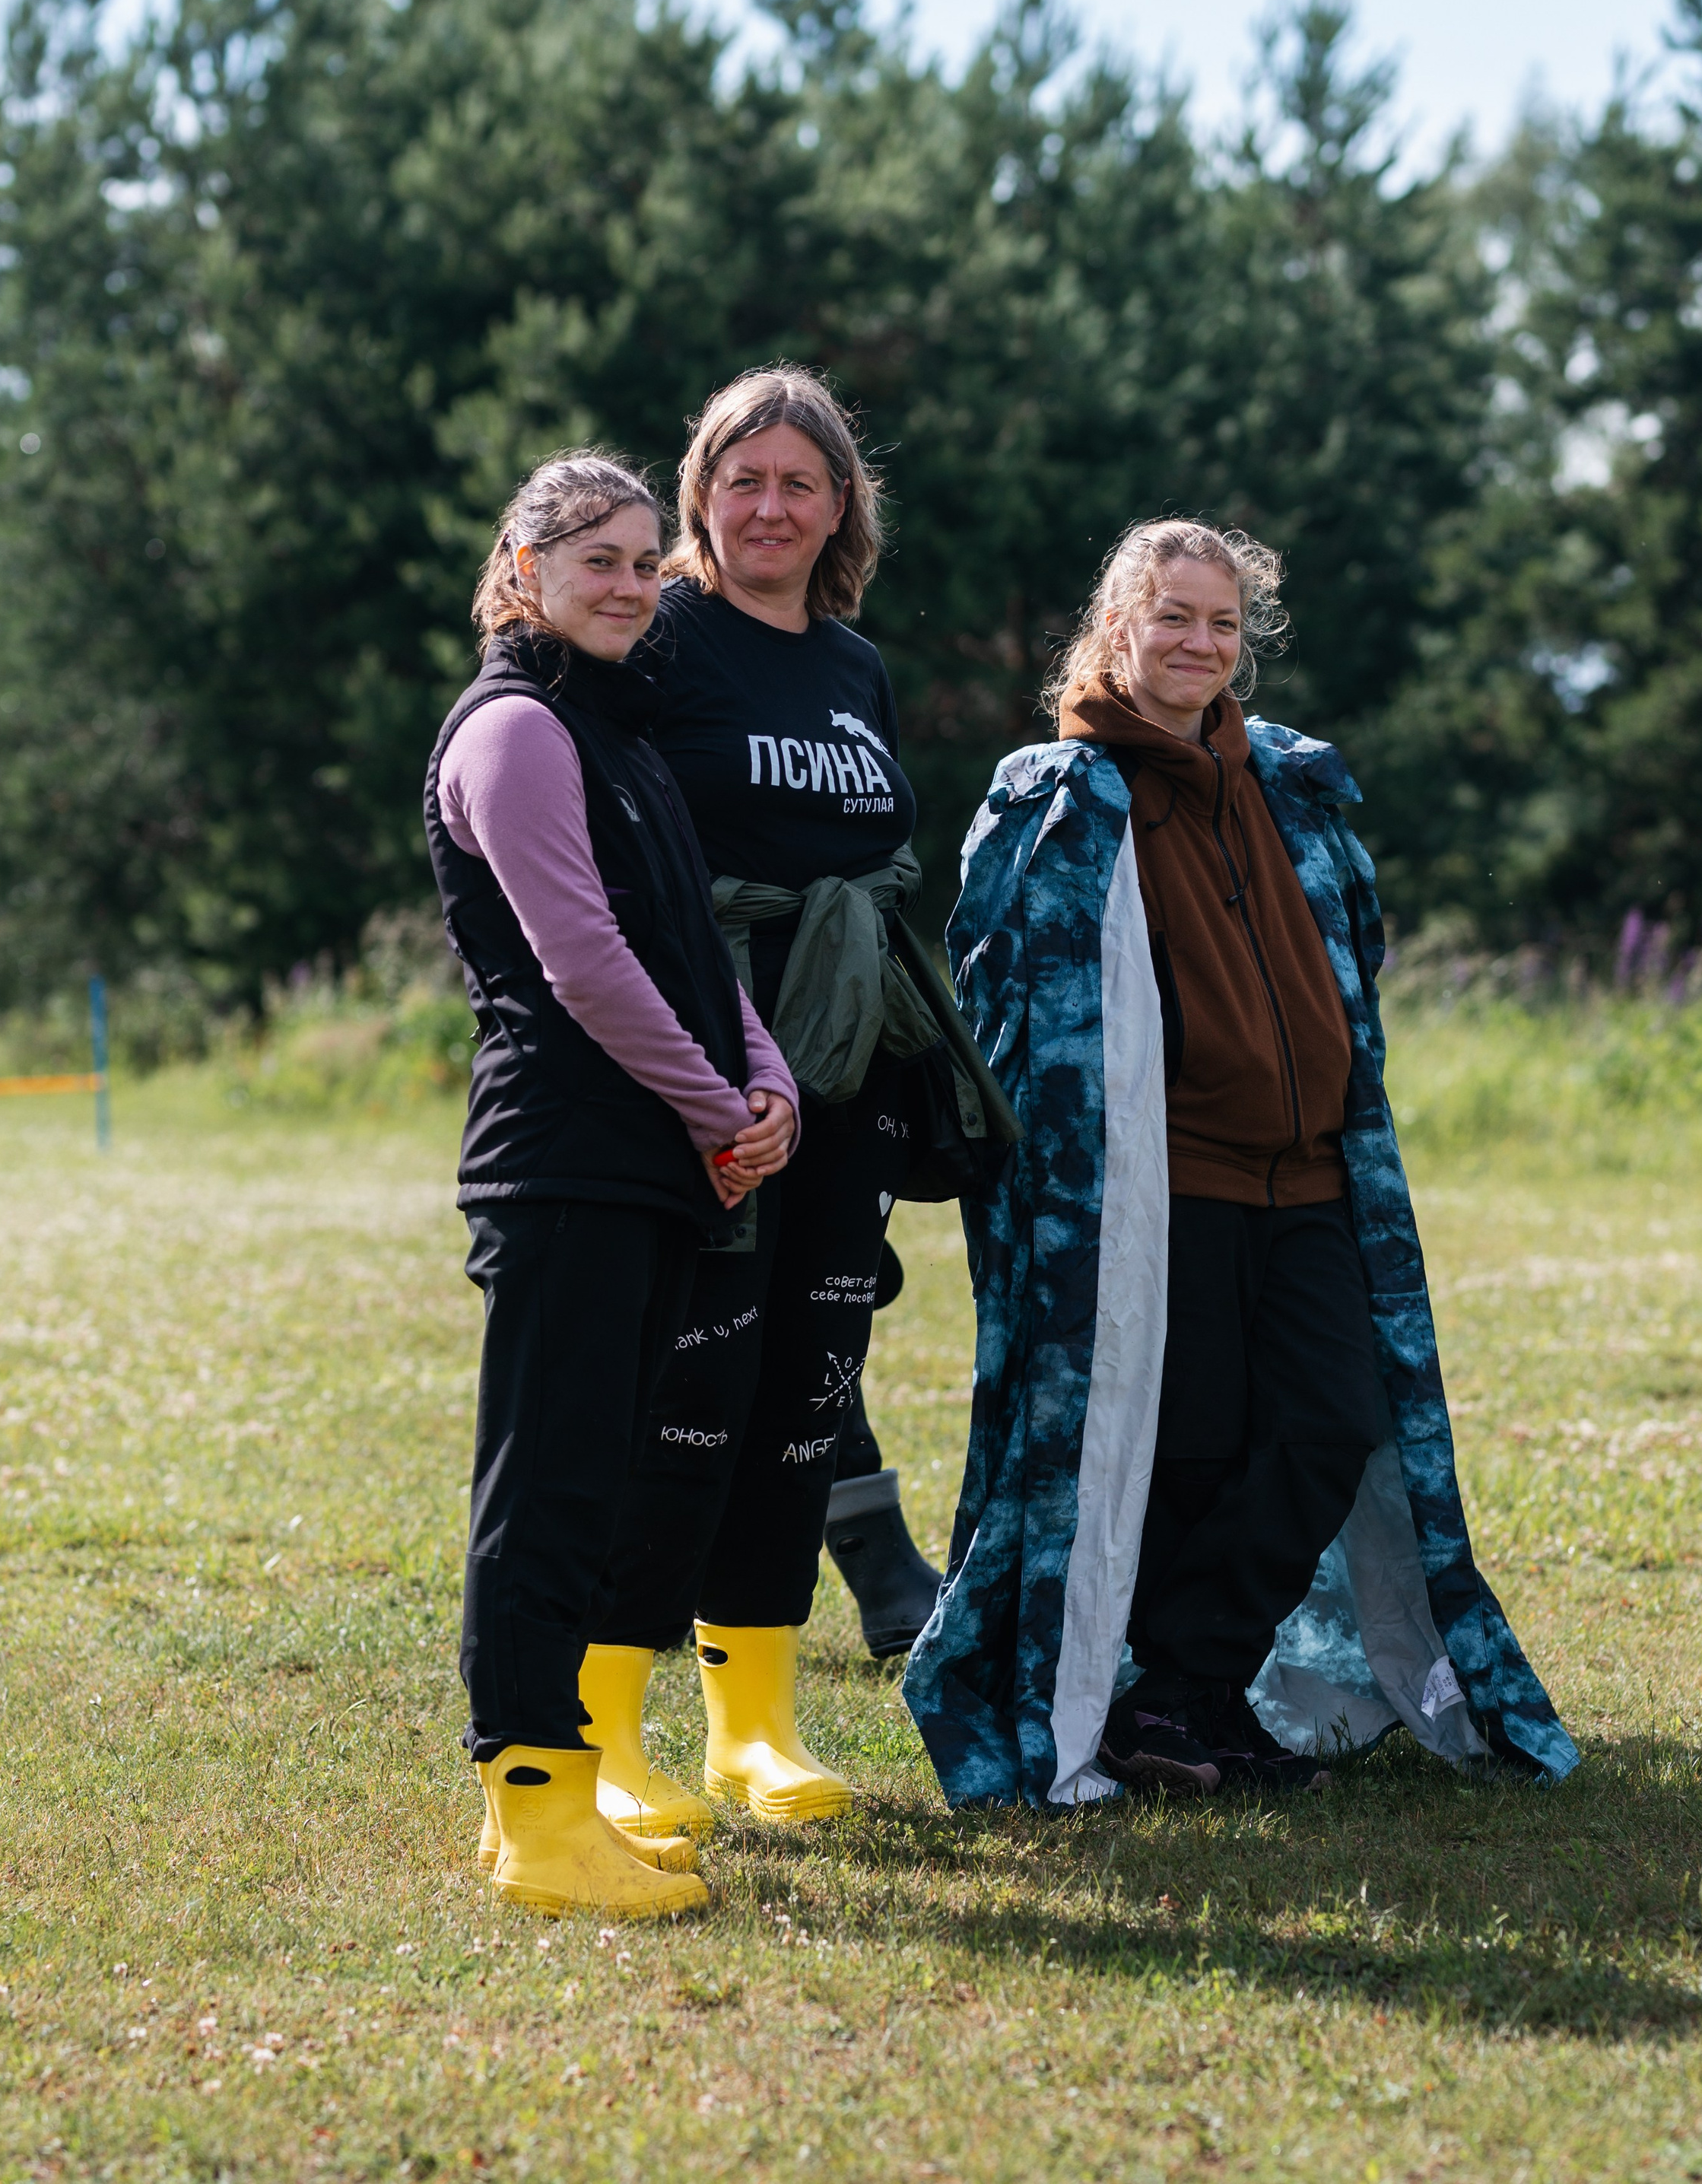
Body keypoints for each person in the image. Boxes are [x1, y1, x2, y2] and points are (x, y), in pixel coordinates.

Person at [903, 519, 1577, 1806]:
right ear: (1118, 628)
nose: (1198, 643)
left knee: (1333, 1423)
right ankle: (1180, 1706)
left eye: (1221, 623)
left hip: (1316, 1178)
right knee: (1189, 1449)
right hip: (1161, 1191)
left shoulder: (1291, 784)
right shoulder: (1058, 795)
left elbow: (1348, 967)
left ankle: (1186, 1683)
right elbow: (1006, 1017)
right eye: (1173, 617)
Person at [425, 450, 800, 1914]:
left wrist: (762, 1076)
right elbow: (584, 961)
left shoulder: (621, 732)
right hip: (569, 1160)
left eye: (651, 563)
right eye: (601, 561)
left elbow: (695, 949)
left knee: (601, 1486)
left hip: (662, 1158)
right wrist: (721, 1104)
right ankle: (532, 1820)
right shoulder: (515, 731)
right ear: (524, 571)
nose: (635, 587)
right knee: (548, 1484)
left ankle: (567, 1788)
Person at [606, 366, 951, 1824]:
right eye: (741, 478)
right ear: (701, 496)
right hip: (709, 1064)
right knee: (691, 1383)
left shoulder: (855, 668)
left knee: (811, 1378)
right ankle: (606, 1726)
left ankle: (753, 1724)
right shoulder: (658, 637)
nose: (768, 503)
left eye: (797, 481)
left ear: (839, 508)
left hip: (850, 1064)